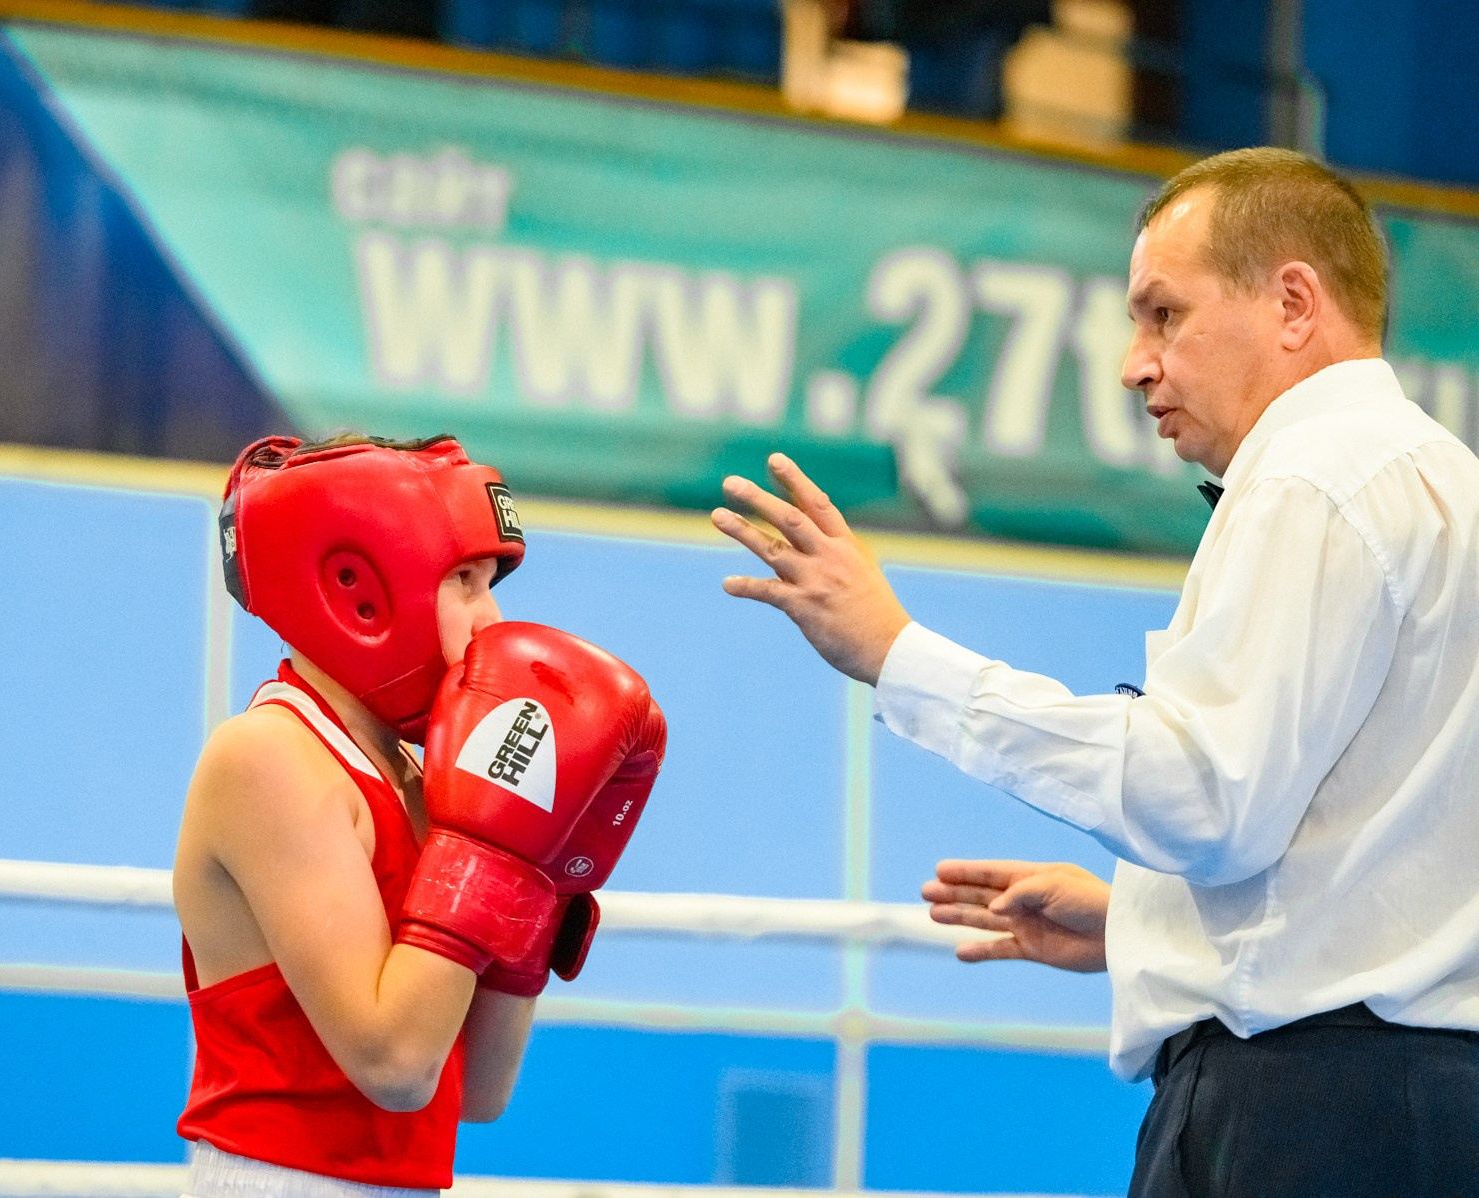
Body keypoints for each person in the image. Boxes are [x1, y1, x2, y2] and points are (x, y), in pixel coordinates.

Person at [712, 147, 1479, 1197]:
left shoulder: (1313, 477)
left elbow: (1206, 796)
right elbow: (1376, 860)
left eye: (1164, 314)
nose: (1133, 364)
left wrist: (900, 656)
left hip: (1308, 1118)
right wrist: (1142, 922)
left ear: (1294, 303)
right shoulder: (1446, 481)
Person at [174, 433, 665, 1197]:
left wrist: (536, 878)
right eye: (463, 581)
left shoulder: (420, 777)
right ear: (356, 588)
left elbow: (478, 1093)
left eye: (490, 583)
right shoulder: (269, 757)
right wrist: (484, 860)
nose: (489, 619)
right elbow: (394, 1065)